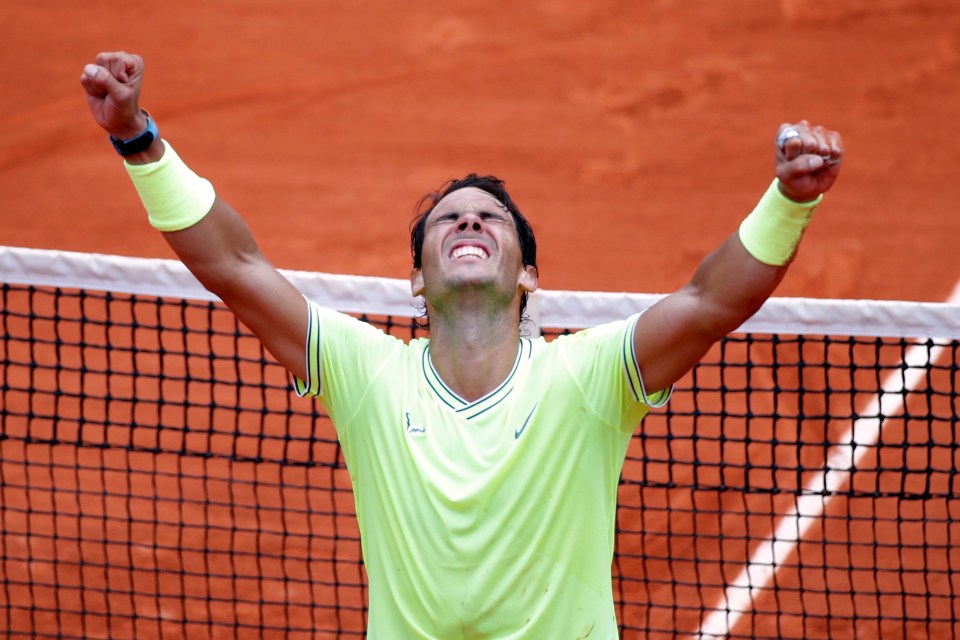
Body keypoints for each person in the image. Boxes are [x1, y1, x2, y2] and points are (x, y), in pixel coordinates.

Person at [80, 51, 843, 638]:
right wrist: (138, 140)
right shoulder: (366, 374)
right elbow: (235, 267)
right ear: (417, 281)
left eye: (491, 219)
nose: (470, 223)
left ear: (529, 278)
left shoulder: (588, 378)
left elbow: (712, 302)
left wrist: (788, 202)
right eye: (449, 220)